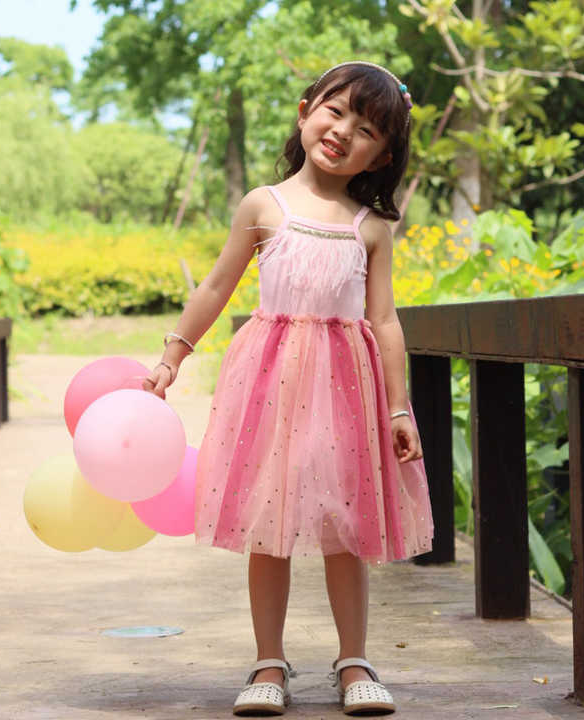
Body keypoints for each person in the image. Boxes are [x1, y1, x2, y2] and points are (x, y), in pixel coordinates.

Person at [143, 61, 433, 717]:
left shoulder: (370, 227)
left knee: (344, 525)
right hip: (270, 386)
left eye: (366, 130)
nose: (343, 132)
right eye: (336, 111)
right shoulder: (263, 205)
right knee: (268, 524)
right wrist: (173, 355)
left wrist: (398, 406)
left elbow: (385, 320)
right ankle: (268, 662)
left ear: (382, 156)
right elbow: (217, 286)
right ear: (306, 111)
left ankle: (354, 659)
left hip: (345, 389)